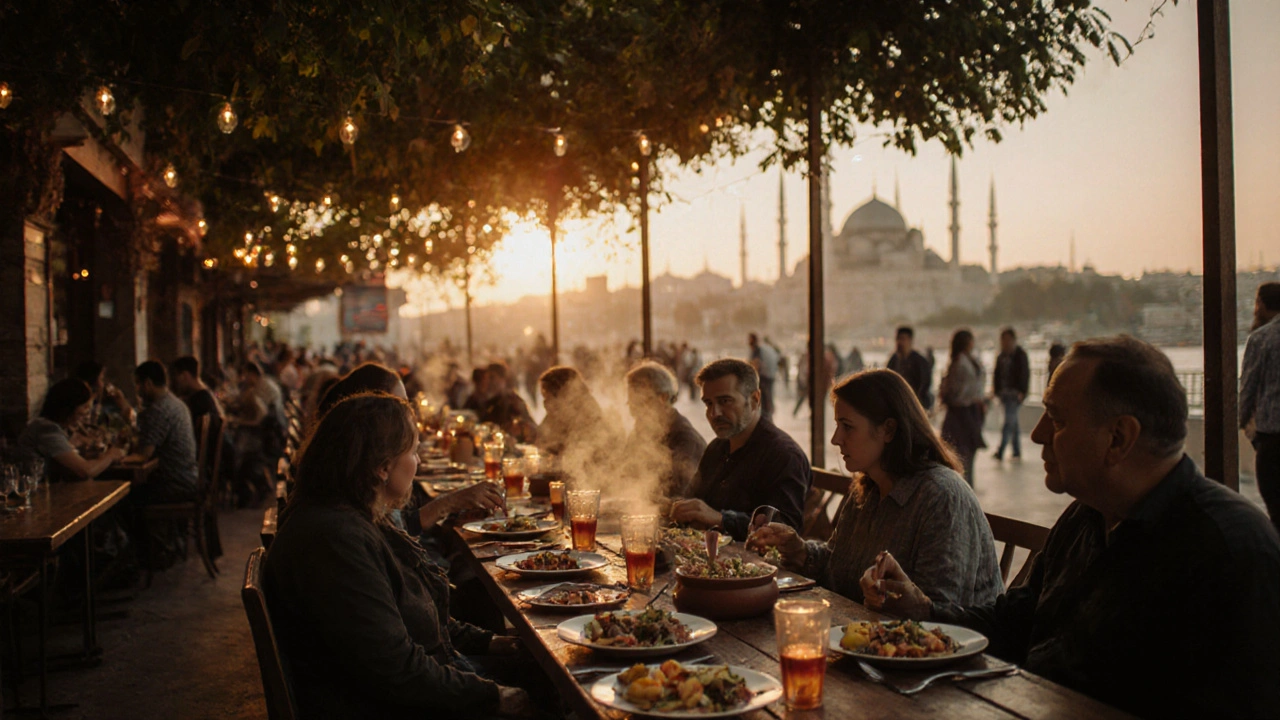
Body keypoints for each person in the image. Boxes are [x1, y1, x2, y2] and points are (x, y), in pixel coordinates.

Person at [864, 337, 1280, 718]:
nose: (1037, 434)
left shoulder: (1230, 550)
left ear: (1118, 439)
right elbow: (1019, 621)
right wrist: (924, 611)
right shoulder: (1088, 514)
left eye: (1056, 419)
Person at [261, 393, 534, 719]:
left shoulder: (349, 514)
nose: (418, 461)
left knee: (535, 662)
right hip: (382, 705)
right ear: (382, 467)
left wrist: (490, 642)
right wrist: (496, 697)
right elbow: (399, 671)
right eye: (414, 451)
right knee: (551, 688)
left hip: (412, 680)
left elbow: (414, 617)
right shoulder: (336, 541)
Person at [747, 369, 1001, 613]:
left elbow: (938, 611)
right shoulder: (868, 486)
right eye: (837, 425)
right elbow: (836, 562)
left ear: (889, 430)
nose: (836, 439)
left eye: (847, 426)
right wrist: (798, 549)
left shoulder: (941, 496)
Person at [670, 359, 811, 541]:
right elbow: (692, 500)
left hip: (761, 567)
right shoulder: (716, 448)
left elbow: (785, 530)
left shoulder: (783, 455)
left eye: (725, 401)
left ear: (754, 400)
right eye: (708, 403)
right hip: (707, 559)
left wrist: (721, 519)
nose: (714, 413)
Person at [623, 362, 707, 499]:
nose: (634, 411)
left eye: (640, 402)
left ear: (663, 398)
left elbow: (677, 497)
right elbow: (624, 477)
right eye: (631, 403)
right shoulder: (641, 432)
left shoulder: (685, 439)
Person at [121, 361, 199, 504]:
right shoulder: (176, 403)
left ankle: (143, 527)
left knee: (122, 498)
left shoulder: (158, 410)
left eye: (138, 384)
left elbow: (143, 455)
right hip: (189, 478)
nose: (137, 390)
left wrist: (114, 457)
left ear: (148, 383)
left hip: (174, 484)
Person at [17, 378, 125, 480]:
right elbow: (85, 471)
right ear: (69, 407)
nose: (87, 412)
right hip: (36, 494)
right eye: (84, 407)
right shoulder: (47, 429)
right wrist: (111, 455)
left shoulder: (54, 428)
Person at [1241, 281, 1280, 532]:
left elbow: (1248, 388)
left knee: (1276, 510)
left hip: (1272, 440)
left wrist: (1243, 422)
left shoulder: (1261, 339)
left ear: (1263, 305)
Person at [536, 366, 619, 463]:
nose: (545, 403)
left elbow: (578, 459)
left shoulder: (590, 417)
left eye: (548, 398)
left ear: (564, 395)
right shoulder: (559, 413)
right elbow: (541, 442)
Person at [939, 329, 985, 484]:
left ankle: (966, 483)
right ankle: (965, 483)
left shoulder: (963, 361)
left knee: (964, 451)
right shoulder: (962, 362)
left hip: (967, 411)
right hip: (962, 412)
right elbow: (955, 390)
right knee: (963, 452)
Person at [992, 328, 1030, 461]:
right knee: (1013, 422)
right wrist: (996, 391)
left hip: (1015, 395)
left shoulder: (1020, 355)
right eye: (1003, 340)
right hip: (1004, 394)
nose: (1005, 343)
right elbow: (996, 375)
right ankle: (1016, 451)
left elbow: (1025, 374)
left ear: (1014, 340)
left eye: (1008, 340)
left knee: (1008, 422)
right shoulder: (1001, 356)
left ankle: (1001, 450)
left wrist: (1022, 392)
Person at [480, 362, 537, 443]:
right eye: (487, 378)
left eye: (492, 378)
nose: (488, 382)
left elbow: (530, 426)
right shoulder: (489, 402)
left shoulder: (513, 401)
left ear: (503, 379)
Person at [74, 360, 136, 426]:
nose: (104, 384)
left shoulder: (105, 405)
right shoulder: (83, 407)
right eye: (102, 379)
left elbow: (131, 420)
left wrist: (121, 401)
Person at [886, 326, 933, 409]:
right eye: (898, 339)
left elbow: (924, 384)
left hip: (917, 404)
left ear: (910, 340)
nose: (900, 342)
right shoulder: (893, 360)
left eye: (903, 339)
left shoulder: (920, 361)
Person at [748, 333, 779, 422]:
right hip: (769, 376)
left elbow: (756, 363)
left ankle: (767, 418)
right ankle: (768, 417)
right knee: (767, 397)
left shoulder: (757, 350)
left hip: (763, 378)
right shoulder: (763, 349)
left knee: (764, 398)